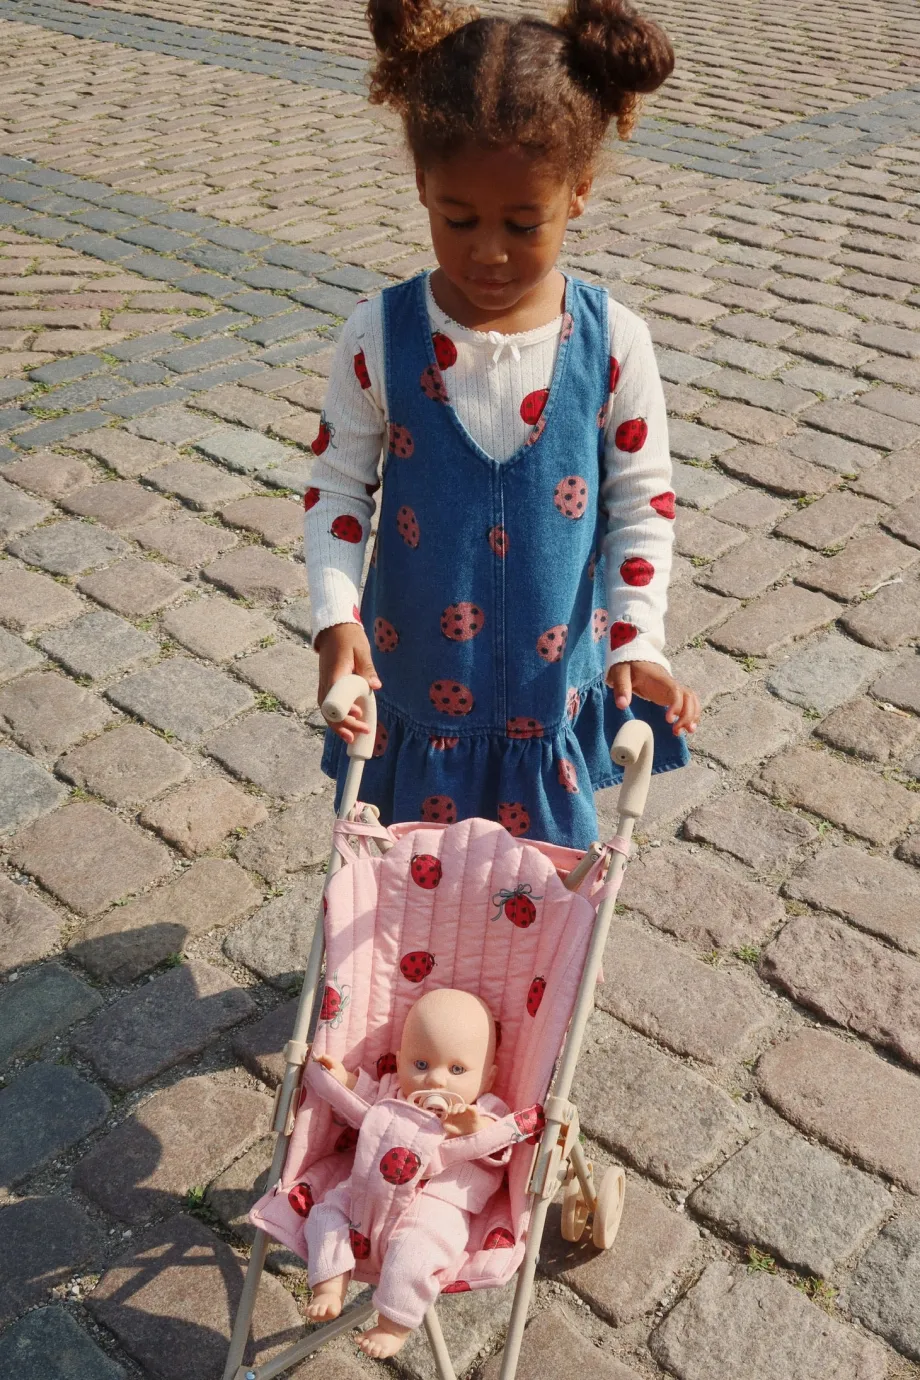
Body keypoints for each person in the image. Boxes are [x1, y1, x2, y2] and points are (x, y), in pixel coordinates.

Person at [304, 0, 701, 850]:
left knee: (545, 897)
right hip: (415, 700)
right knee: (408, 888)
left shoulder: (614, 343)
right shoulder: (379, 336)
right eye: (459, 220)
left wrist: (640, 640)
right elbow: (337, 488)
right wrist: (337, 620)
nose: (488, 251)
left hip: (545, 710)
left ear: (579, 192)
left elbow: (642, 505)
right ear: (422, 184)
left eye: (523, 225)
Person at [303, 988, 516, 1358]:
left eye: (457, 1070)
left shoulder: (485, 1110)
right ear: (400, 1061)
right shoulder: (393, 1093)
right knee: (324, 1215)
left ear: (487, 1078)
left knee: (415, 1255)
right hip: (367, 1190)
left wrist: (473, 1129)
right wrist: (345, 1080)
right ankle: (330, 1283)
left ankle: (394, 1324)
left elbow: (502, 1149)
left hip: (435, 1207)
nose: (436, 1080)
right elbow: (364, 1100)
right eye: (420, 1064)